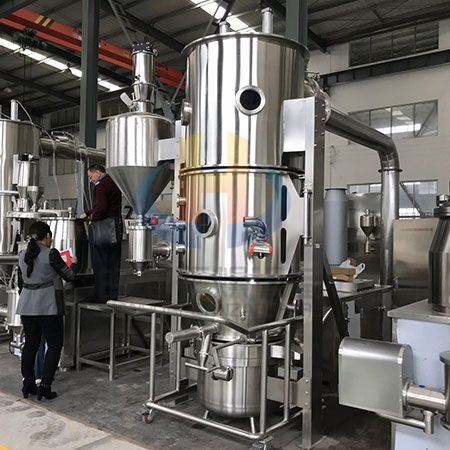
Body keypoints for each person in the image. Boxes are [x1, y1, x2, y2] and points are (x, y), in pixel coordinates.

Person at [17, 221, 78, 400]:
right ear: (48, 236)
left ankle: (28, 384)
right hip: (48, 306)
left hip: (27, 307)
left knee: (30, 345)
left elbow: (21, 282)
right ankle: (45, 386)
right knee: (54, 345)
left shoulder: (22, 255)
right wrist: (74, 263)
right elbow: (70, 276)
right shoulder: (51, 253)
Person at [81, 164, 122, 303]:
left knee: (100, 262)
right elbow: (106, 205)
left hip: (103, 229)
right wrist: (88, 212)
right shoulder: (113, 182)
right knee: (113, 263)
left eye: (90, 176)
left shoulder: (100, 186)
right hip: (115, 227)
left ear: (98, 173)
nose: (90, 180)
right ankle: (112, 295)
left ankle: (101, 295)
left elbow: (101, 208)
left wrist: (92, 219)